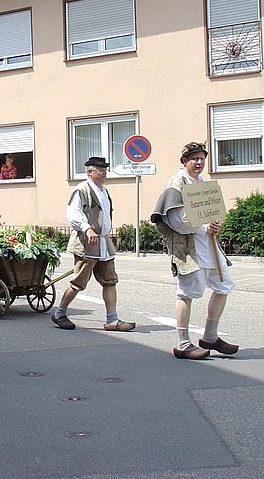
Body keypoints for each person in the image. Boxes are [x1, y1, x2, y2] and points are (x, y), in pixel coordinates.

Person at [151, 142, 238, 360]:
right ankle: (182, 343)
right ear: (184, 161)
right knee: (187, 293)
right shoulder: (176, 183)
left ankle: (210, 336)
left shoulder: (200, 182)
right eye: (194, 158)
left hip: (209, 245)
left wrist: (215, 225)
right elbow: (176, 220)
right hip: (189, 247)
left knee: (223, 285)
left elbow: (209, 212)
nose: (199, 162)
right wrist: (203, 227)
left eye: (202, 158)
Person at [51, 156, 136, 332]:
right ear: (90, 172)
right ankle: (60, 313)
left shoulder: (103, 191)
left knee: (110, 281)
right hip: (87, 242)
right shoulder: (81, 190)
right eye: (100, 170)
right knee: (79, 282)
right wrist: (87, 228)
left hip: (103, 242)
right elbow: (73, 214)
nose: (104, 172)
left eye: (105, 169)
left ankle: (112, 319)